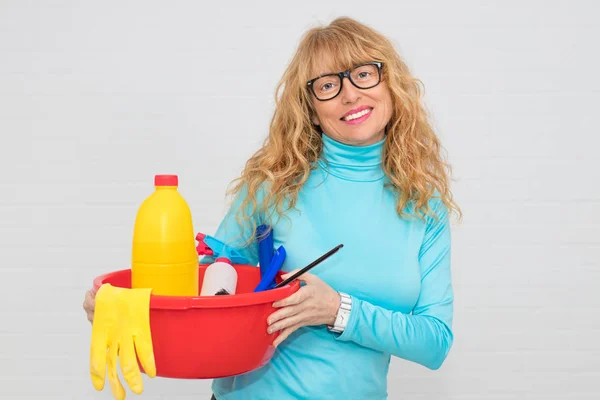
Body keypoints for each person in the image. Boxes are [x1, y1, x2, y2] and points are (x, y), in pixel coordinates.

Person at [83, 16, 461, 400]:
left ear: (390, 85)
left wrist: (337, 310)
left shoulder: (422, 206)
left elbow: (435, 343)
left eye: (364, 73)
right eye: (328, 85)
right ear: (311, 109)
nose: (350, 95)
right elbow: (207, 287)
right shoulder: (274, 185)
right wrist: (132, 304)